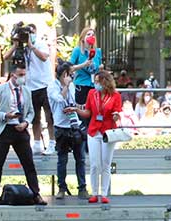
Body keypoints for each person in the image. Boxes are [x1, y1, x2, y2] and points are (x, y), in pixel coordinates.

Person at [0, 63, 45, 206]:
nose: (23, 78)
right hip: (4, 129)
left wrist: (26, 123)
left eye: (24, 75)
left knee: (29, 163)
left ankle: (36, 193)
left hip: (20, 128)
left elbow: (31, 112)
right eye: (20, 75)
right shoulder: (0, 89)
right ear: (13, 75)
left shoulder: (26, 91)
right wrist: (5, 115)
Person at [75, 70, 123, 204]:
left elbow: (117, 112)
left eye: (98, 81)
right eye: (95, 81)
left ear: (105, 82)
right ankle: (95, 193)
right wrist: (77, 110)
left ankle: (104, 192)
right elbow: (88, 112)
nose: (96, 84)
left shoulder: (115, 96)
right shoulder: (92, 94)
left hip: (108, 132)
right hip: (94, 130)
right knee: (94, 164)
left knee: (105, 163)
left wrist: (116, 116)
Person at [49, 62, 87, 200]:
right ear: (64, 74)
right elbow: (60, 99)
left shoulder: (72, 85)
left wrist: (76, 108)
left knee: (80, 159)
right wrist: (65, 85)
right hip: (61, 127)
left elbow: (72, 100)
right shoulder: (52, 86)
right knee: (62, 159)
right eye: (70, 73)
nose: (73, 76)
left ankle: (82, 187)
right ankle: (61, 188)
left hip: (74, 124)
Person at [23, 28, 55, 155]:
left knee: (49, 117)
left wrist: (32, 47)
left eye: (31, 33)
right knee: (35, 117)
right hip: (31, 87)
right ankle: (36, 143)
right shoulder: (24, 49)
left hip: (45, 85)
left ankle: (52, 143)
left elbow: (44, 57)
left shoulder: (41, 44)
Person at [68, 28, 102, 109]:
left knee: (93, 110)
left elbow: (99, 67)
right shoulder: (77, 50)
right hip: (81, 86)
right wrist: (83, 65)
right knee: (82, 111)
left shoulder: (97, 51)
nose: (91, 36)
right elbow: (69, 68)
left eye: (93, 35)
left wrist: (101, 68)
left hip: (94, 86)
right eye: (88, 34)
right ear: (83, 38)